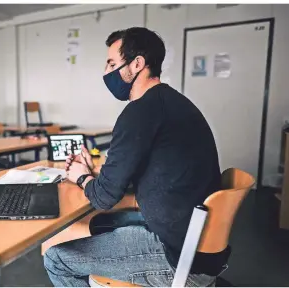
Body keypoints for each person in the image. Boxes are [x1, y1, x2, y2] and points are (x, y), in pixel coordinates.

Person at [43, 27, 230, 287]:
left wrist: (82, 177)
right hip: (195, 240)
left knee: (56, 259)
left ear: (137, 64)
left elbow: (103, 198)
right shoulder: (173, 102)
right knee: (101, 225)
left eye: (111, 63)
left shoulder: (139, 112)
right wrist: (97, 175)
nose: (106, 72)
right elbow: (147, 170)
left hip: (177, 256)